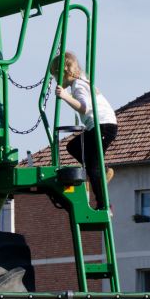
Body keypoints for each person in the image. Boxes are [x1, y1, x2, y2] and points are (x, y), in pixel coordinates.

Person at [51, 50, 117, 210]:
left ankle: (104, 206)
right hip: (99, 126)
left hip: (103, 126)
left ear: (64, 72)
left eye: (55, 76)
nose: (55, 80)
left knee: (93, 167)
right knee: (73, 147)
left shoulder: (79, 85)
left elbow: (84, 108)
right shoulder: (81, 81)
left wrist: (65, 96)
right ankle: (104, 171)